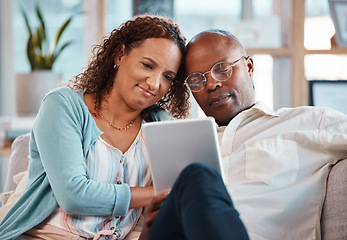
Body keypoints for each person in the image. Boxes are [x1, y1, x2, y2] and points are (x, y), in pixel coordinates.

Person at [138, 29, 347, 240]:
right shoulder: (179, 147)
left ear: (249, 67)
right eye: (197, 80)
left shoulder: (309, 123)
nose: (212, 84)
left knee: (197, 174)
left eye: (222, 69)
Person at [0, 14, 190, 240]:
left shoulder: (160, 124)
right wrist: (157, 193)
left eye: (167, 76)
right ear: (120, 55)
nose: (155, 83)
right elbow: (73, 196)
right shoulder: (63, 106)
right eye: (147, 65)